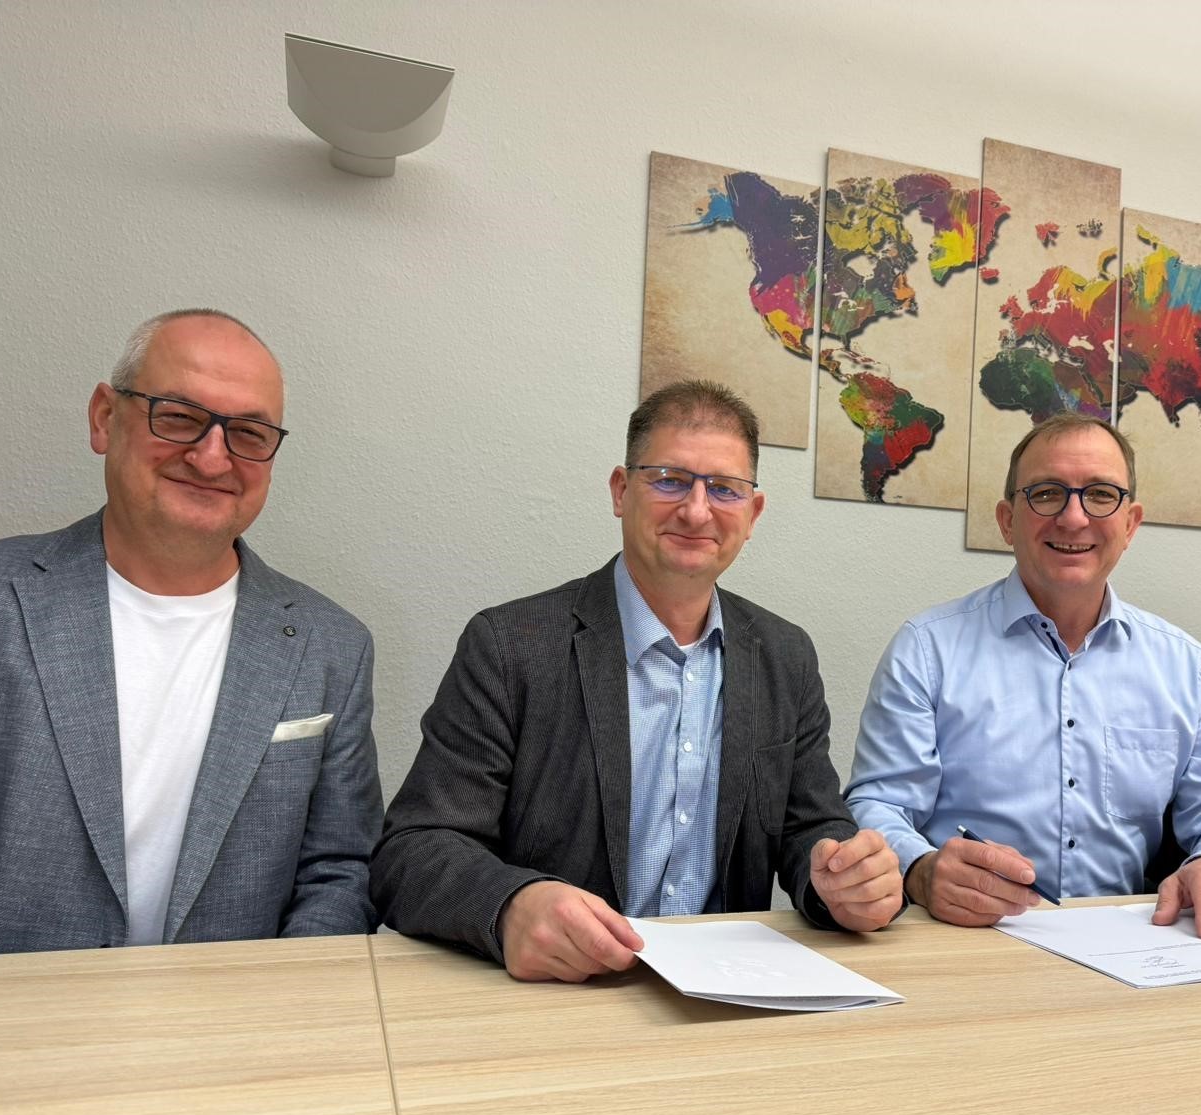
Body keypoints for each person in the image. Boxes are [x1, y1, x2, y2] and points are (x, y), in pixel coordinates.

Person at [371, 381, 903, 981]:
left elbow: (813, 828)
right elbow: (411, 852)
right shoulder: (508, 645)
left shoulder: (786, 656)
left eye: (724, 489)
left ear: (752, 515)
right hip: (560, 992)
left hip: (726, 995)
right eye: (670, 479)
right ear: (622, 491)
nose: (697, 510)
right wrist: (509, 905)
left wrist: (841, 879)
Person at [0, 309, 383, 956]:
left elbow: (341, 871)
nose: (213, 457)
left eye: (248, 432)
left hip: (223, 1037)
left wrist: (276, 1016)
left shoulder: (332, 648)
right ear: (105, 418)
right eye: (179, 417)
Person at [847, 413, 1201, 946]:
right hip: (963, 943)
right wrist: (920, 870)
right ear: (1007, 521)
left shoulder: (1182, 666)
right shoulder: (926, 649)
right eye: (1047, 494)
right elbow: (878, 807)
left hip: (1133, 947)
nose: (1074, 518)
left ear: (1131, 523)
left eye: (1101, 495)